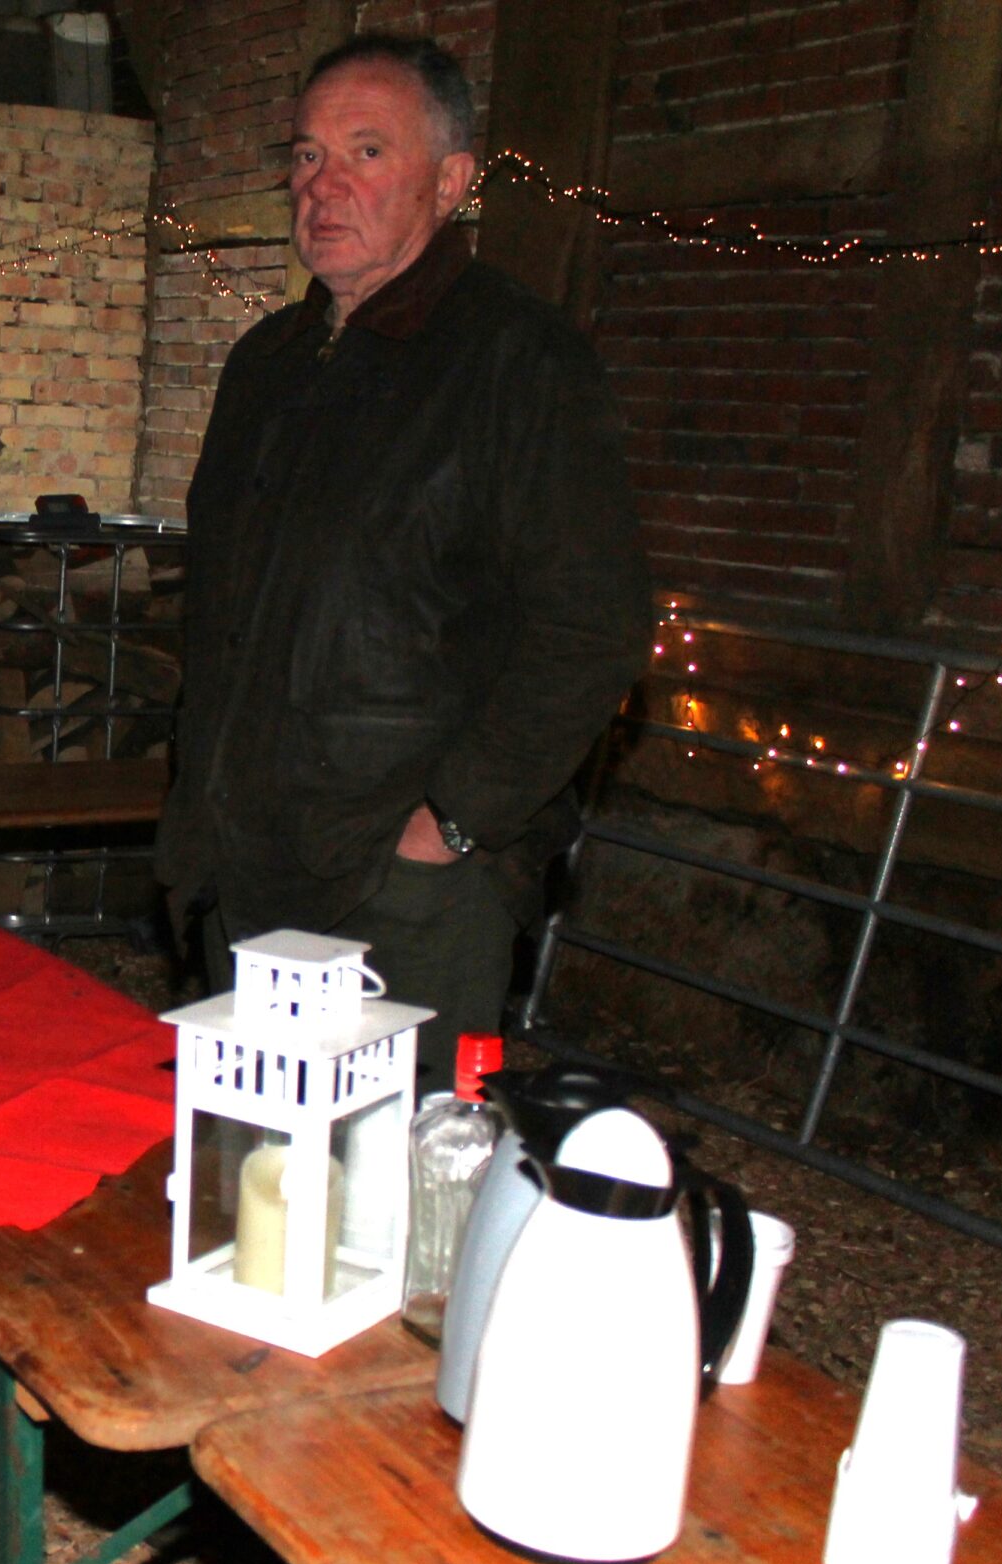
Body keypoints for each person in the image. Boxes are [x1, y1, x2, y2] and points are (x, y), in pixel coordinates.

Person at [155, 34, 652, 1083]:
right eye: (306, 155)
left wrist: (450, 825)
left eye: (366, 152)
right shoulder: (265, 366)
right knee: (248, 1153)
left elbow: (590, 627)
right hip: (244, 859)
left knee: (392, 1164)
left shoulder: (517, 362)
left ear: (452, 181)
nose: (322, 185)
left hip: (398, 888)